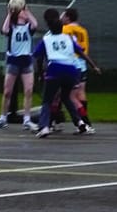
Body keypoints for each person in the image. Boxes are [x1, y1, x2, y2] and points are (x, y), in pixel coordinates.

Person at [33, 9, 98, 138]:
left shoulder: (46, 39)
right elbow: (81, 53)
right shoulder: (67, 38)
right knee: (66, 97)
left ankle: (44, 126)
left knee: (47, 100)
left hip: (55, 69)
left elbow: (37, 57)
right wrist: (94, 66)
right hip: (71, 70)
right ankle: (80, 122)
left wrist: (40, 74)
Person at [0, 2, 38, 131]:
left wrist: (27, 11)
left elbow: (35, 24)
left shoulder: (28, 27)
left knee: (28, 91)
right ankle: (2, 118)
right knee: (7, 92)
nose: (22, 12)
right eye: (20, 10)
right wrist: (9, 14)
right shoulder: (12, 26)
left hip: (26, 61)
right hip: (13, 61)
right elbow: (4, 30)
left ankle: (27, 120)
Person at [62, 8, 101, 130]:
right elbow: (84, 49)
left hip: (71, 64)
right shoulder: (83, 31)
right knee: (81, 93)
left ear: (68, 17)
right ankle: (84, 121)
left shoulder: (65, 29)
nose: (62, 18)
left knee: (66, 95)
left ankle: (83, 122)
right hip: (82, 63)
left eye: (63, 16)